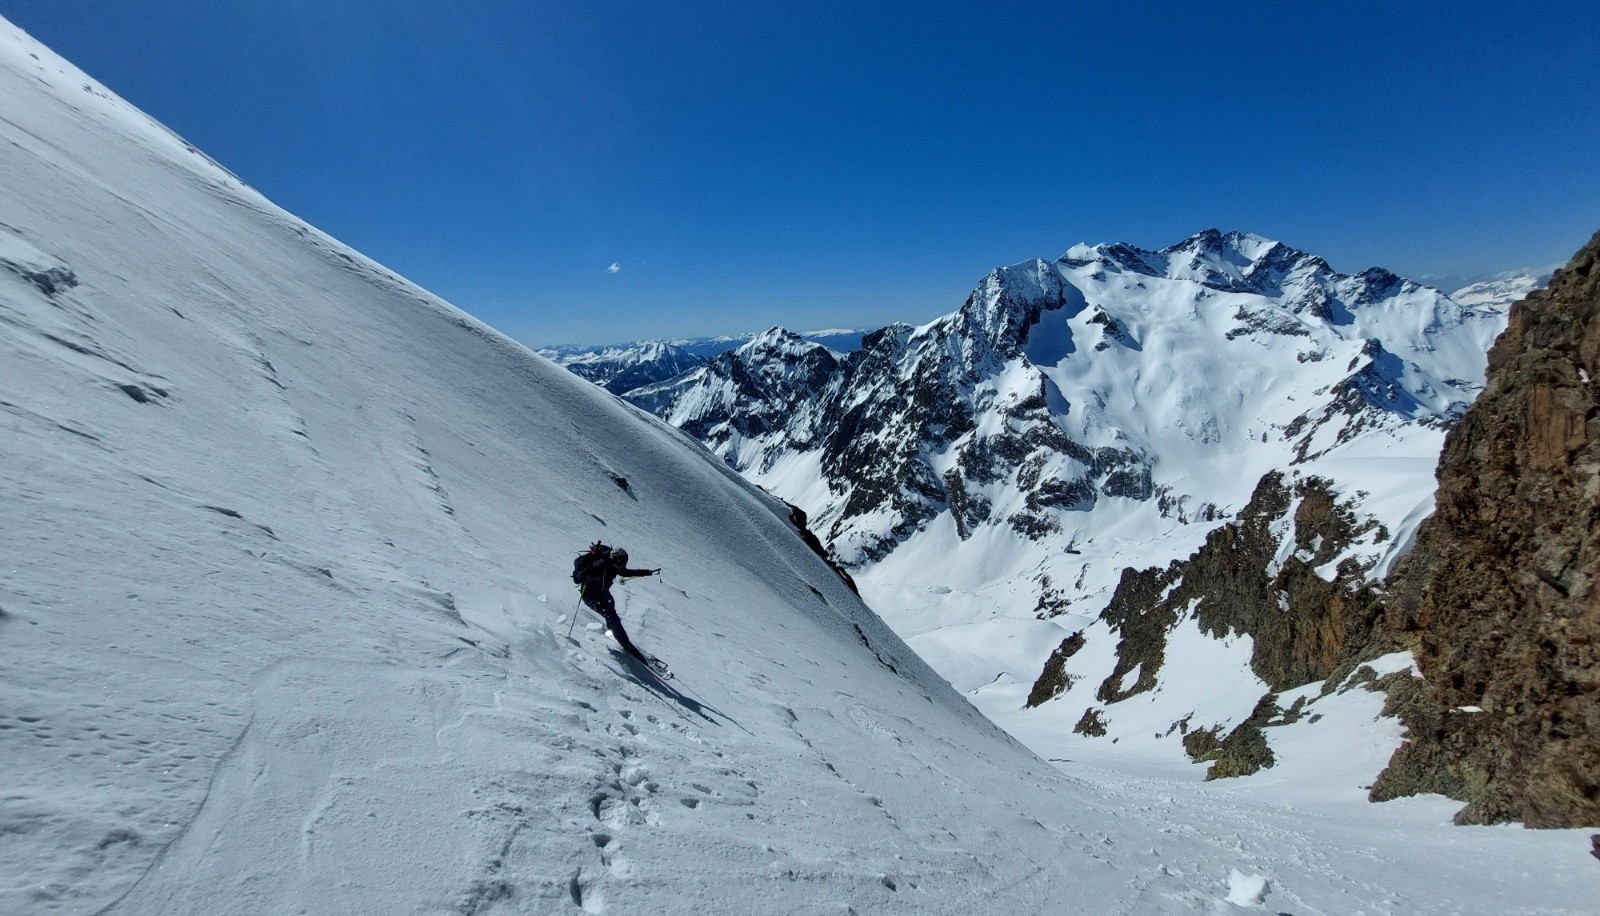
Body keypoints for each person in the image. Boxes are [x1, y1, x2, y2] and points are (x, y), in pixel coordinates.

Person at [571, 542, 660, 666]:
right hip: (589, 596)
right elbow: (577, 578)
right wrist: (589, 569)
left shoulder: (614, 564)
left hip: (603, 594)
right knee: (612, 617)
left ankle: (612, 630)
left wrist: (646, 572)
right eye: (620, 564)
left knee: (611, 610)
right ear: (614, 559)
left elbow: (625, 573)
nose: (620, 567)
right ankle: (625, 644)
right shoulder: (600, 564)